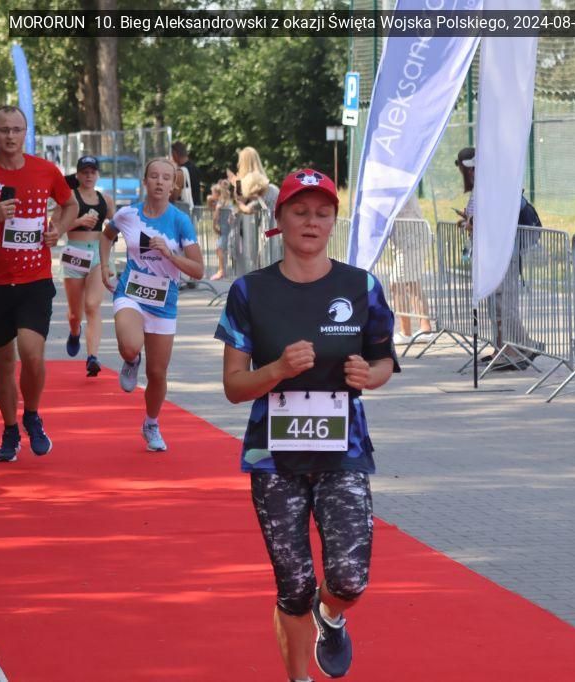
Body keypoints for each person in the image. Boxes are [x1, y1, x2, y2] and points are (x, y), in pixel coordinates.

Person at [216, 169, 399, 681]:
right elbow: (233, 386)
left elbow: (384, 360)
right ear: (280, 218)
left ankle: (331, 614)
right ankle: (298, 677)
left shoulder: (360, 286)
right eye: (300, 212)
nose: (311, 222)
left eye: (322, 213)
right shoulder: (250, 291)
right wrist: (276, 370)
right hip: (273, 458)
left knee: (350, 578)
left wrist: (370, 376)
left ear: (334, 221)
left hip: (344, 452)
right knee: (293, 587)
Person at [0, 105, 77, 462]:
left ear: (26, 133)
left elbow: (70, 205)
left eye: (17, 129)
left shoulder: (44, 170)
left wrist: (59, 228)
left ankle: (32, 414)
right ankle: (10, 430)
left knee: (31, 353)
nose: (10, 136)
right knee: (3, 362)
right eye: (3, 129)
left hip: (34, 280)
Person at [99, 158, 203, 451]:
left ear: (173, 186)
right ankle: (131, 360)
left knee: (157, 373)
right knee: (130, 346)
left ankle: (151, 423)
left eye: (166, 178)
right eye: (154, 176)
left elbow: (198, 270)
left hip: (163, 302)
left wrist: (170, 255)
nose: (159, 181)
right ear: (145, 181)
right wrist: (105, 265)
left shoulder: (180, 221)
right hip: (130, 292)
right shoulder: (128, 214)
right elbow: (107, 236)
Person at [456, 147, 541, 370]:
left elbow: (495, 218)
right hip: (494, 251)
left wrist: (473, 223)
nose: (470, 173)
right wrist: (470, 221)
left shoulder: (493, 186)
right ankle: (508, 347)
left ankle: (516, 348)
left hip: (503, 251)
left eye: (471, 169)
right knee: (496, 303)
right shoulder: (486, 186)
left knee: (504, 303)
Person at [61, 155, 116, 377]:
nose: (89, 176)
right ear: (78, 174)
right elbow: (55, 226)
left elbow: (116, 225)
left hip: (98, 255)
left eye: (93, 172)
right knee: (75, 313)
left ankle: (92, 357)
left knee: (92, 305)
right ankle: (75, 331)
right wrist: (78, 221)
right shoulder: (69, 198)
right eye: (85, 172)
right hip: (75, 252)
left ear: (98, 174)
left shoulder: (106, 200)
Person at [388, 193, 433, 344]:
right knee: (412, 283)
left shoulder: (396, 185)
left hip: (412, 240)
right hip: (410, 239)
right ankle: (425, 329)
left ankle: (406, 333)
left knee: (397, 283)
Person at [207, 180, 232, 280]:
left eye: (213, 193)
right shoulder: (224, 202)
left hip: (225, 230)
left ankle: (221, 271)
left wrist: (214, 226)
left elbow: (215, 217)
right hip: (226, 229)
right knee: (220, 249)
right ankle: (223, 270)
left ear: (217, 194)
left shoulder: (220, 204)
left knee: (220, 248)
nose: (211, 194)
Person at [171, 141, 201, 208]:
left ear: (175, 154)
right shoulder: (195, 168)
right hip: (197, 207)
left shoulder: (180, 172)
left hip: (185, 208)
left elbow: (174, 196)